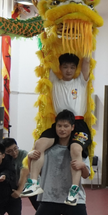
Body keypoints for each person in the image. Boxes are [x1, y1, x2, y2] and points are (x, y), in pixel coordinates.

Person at [22, 111, 94, 215]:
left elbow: (86, 175)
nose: (62, 129)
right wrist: (30, 157)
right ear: (55, 127)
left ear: (72, 128)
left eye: (66, 126)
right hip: (49, 197)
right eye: (59, 126)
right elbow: (36, 167)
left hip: (74, 200)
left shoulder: (79, 149)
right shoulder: (47, 148)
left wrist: (83, 166)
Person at [22, 53, 93, 204]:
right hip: (60, 123)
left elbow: (86, 60)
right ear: (60, 67)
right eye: (65, 67)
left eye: (72, 67)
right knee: (39, 145)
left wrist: (84, 43)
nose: (68, 70)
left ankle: (74, 190)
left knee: (75, 149)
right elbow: (46, 59)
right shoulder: (54, 80)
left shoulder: (81, 81)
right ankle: (33, 182)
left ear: (76, 69)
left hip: (78, 124)